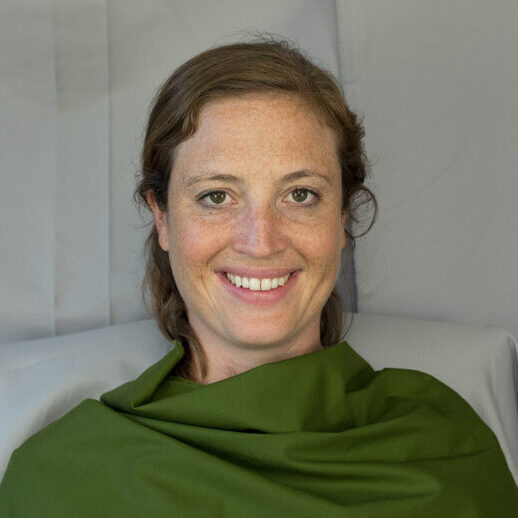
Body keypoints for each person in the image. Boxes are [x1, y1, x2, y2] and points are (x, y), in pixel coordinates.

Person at [0, 37, 517, 516]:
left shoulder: (446, 446)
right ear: (162, 218)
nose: (261, 241)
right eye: (216, 196)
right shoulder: (61, 478)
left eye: (300, 195)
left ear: (342, 218)